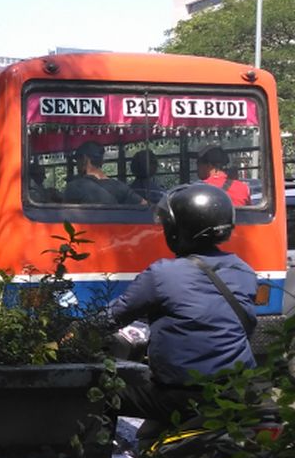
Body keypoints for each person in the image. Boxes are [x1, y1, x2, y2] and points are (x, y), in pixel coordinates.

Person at [107, 183, 257, 437]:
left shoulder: (162, 274)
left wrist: (73, 333)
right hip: (239, 391)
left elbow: (111, 317)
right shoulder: (244, 270)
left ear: (177, 230)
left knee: (99, 397)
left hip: (182, 396)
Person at [62, 141, 145, 205]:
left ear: (84, 159)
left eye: (77, 160)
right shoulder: (120, 187)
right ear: (102, 161)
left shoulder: (74, 187)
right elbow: (145, 206)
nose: (76, 165)